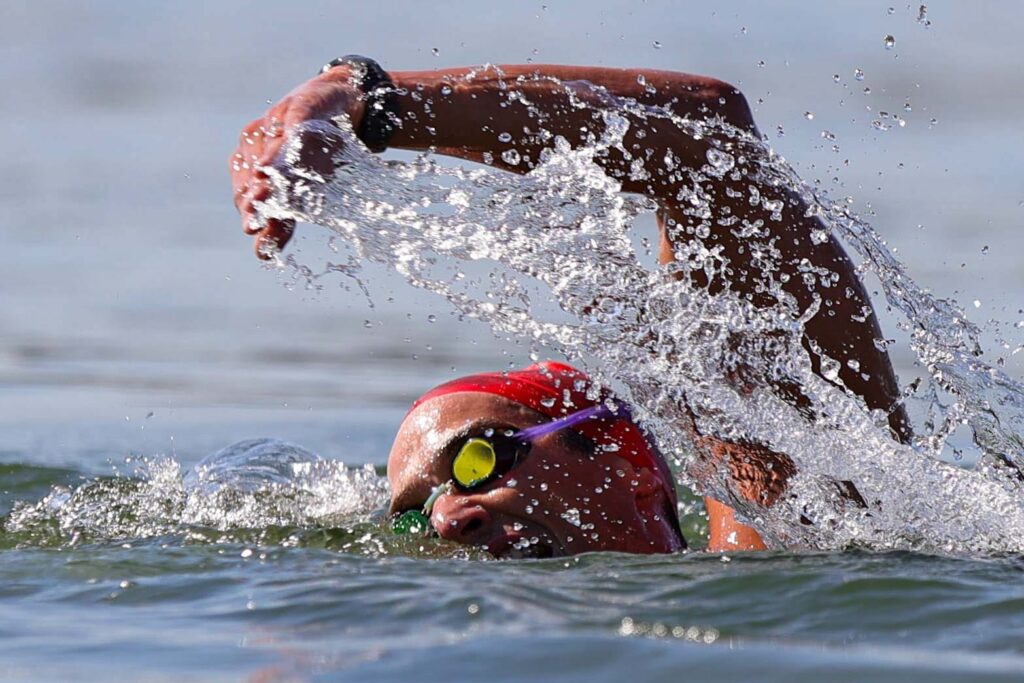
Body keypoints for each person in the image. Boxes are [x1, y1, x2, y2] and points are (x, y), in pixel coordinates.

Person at [230, 57, 910, 554]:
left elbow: (706, 137)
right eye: (417, 513)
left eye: (479, 462)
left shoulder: (796, 537)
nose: (448, 520)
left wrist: (363, 101)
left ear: (628, 466)